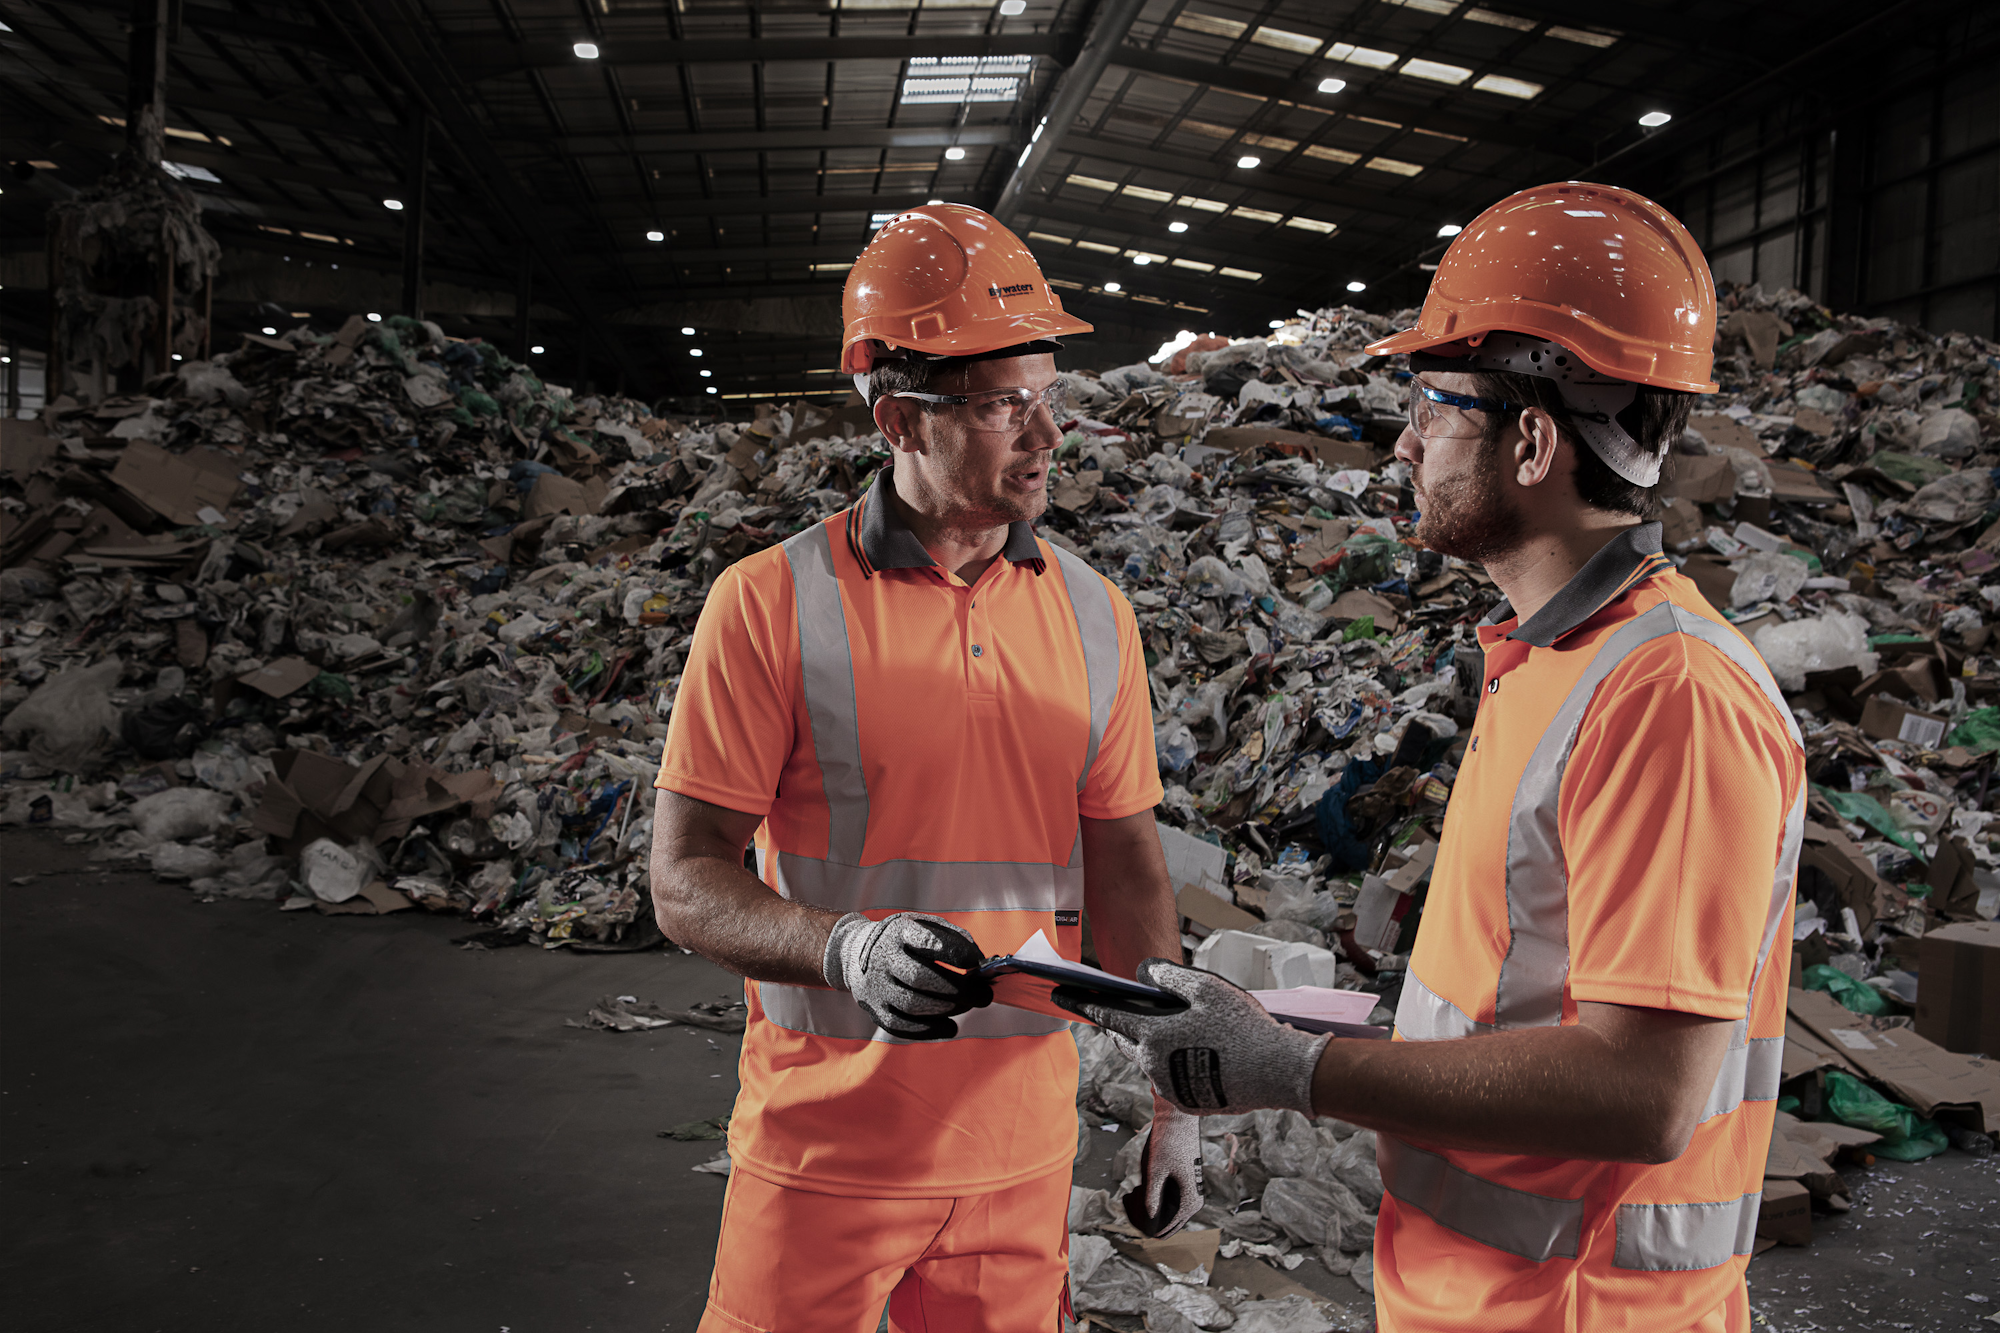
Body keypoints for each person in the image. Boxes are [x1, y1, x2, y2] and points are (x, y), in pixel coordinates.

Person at [1058, 182, 1806, 1333]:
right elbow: (1530, 999)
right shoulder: (1548, 660)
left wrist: (1293, 1074)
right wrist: (1322, 1028)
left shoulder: (1671, 698)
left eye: (1433, 404)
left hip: (1578, 1309)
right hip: (1481, 1298)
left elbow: (1641, 1091)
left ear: (1533, 440)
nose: (1403, 439)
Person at [650, 204, 1191, 1333]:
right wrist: (841, 944)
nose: (1046, 435)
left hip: (1019, 1161)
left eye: (1050, 398)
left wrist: (1172, 1101)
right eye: (1003, 405)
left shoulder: (1096, 616)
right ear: (898, 417)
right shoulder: (770, 604)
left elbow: (1129, 867)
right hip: (822, 1156)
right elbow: (686, 877)